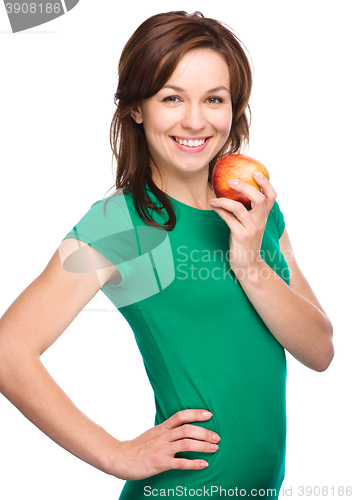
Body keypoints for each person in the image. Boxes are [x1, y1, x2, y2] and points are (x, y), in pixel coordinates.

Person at [0, 11, 334, 500]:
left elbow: (319, 351)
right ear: (137, 108)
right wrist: (117, 455)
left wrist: (249, 262)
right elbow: (8, 352)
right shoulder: (121, 224)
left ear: (233, 109)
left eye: (214, 99)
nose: (195, 120)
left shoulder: (253, 203)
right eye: (171, 98)